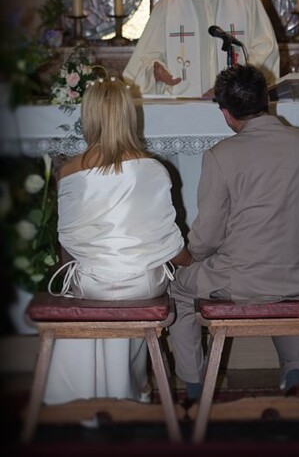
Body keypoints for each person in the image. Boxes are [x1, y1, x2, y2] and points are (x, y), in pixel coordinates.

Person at [168, 63, 299, 400]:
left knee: (179, 291)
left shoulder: (221, 155)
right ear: (266, 99)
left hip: (242, 278)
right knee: (285, 287)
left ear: (226, 114)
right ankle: (295, 374)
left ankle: (196, 386)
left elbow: (206, 240)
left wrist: (189, 258)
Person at [44, 76, 191, 408]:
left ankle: (81, 397)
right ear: (129, 115)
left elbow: (66, 244)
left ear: (89, 116)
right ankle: (133, 388)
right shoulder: (154, 169)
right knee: (137, 292)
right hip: (144, 283)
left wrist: (82, 275)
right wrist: (193, 260)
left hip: (92, 283)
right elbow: (169, 244)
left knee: (84, 288)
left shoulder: (68, 172)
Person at [123, 0, 280, 97]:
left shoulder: (247, 1)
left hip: (236, 106)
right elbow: (144, 61)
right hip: (184, 107)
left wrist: (232, 87)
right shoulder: (166, 8)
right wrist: (155, 70)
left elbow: (265, 51)